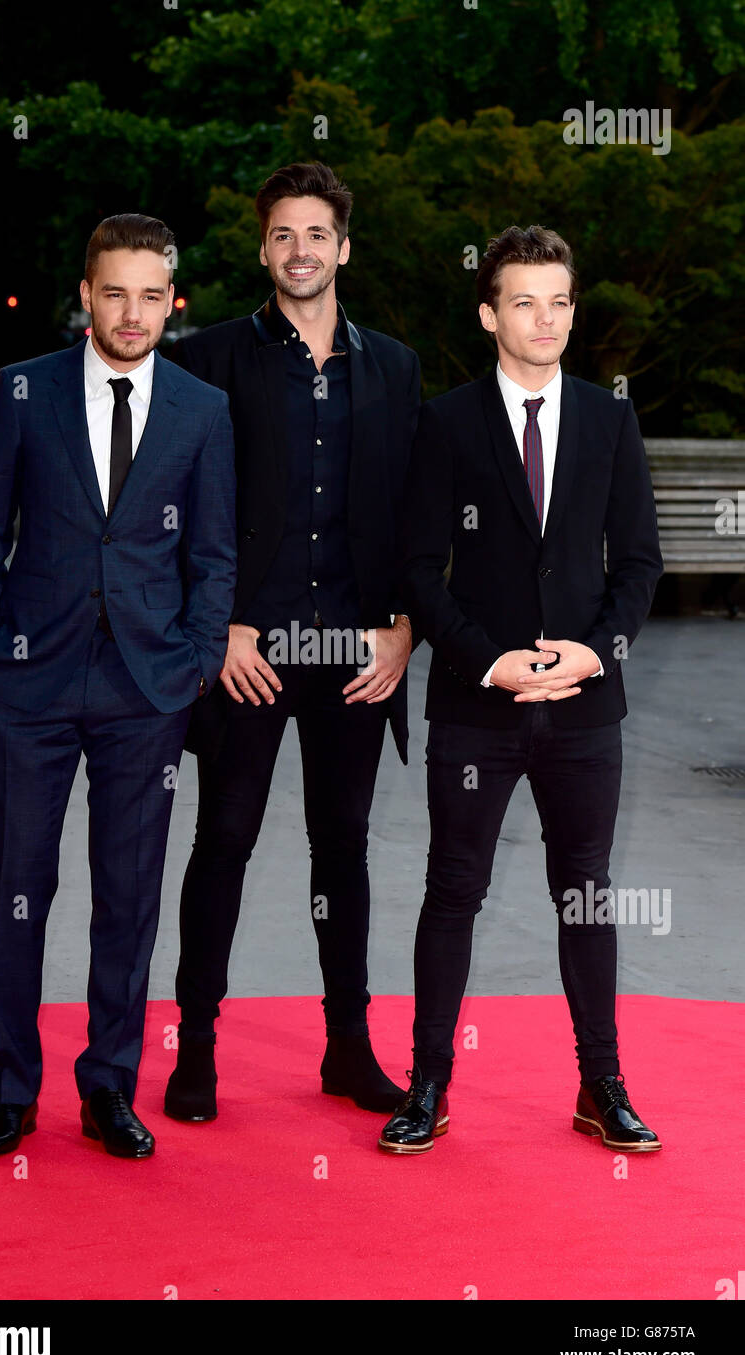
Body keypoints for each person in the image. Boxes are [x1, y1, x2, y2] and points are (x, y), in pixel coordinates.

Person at [380, 225, 664, 1155]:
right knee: (452, 889)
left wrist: (595, 653)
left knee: (586, 893)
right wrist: (486, 662)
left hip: (586, 708)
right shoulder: (448, 420)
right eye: (525, 301)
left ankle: (602, 1086)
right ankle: (427, 1086)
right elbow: (419, 568)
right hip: (477, 700)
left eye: (560, 301)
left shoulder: (608, 419)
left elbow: (639, 565)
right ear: (489, 312)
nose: (546, 319)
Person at [0, 213, 236, 1159]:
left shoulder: (202, 410)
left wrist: (197, 658)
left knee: (129, 895)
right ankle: (9, 1090)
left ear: (173, 299)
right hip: (29, 682)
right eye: (113, 292)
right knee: (18, 888)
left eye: (150, 295)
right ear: (86, 293)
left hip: (147, 689)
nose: (132, 312)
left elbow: (214, 552)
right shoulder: (24, 390)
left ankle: (109, 1086)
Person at [164, 162, 421, 1121]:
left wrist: (404, 629)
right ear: (263, 247)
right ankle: (196, 1050)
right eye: (282, 235)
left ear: (343, 247)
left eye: (317, 235)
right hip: (250, 650)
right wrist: (216, 622)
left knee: (342, 848)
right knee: (223, 840)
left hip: (355, 651)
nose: (300, 251)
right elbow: (179, 509)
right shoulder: (211, 360)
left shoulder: (393, 365)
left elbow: (411, 512)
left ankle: (348, 1050)